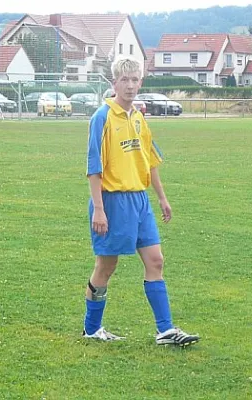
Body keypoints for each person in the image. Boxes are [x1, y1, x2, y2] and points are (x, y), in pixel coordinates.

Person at [82, 57, 200, 346]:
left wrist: (161, 198)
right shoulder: (102, 117)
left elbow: (150, 161)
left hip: (140, 201)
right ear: (115, 83)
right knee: (106, 267)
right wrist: (99, 208)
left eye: (135, 80)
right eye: (125, 80)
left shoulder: (139, 118)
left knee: (156, 260)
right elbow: (94, 168)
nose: (131, 85)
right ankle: (91, 329)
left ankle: (166, 331)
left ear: (141, 82)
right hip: (112, 201)